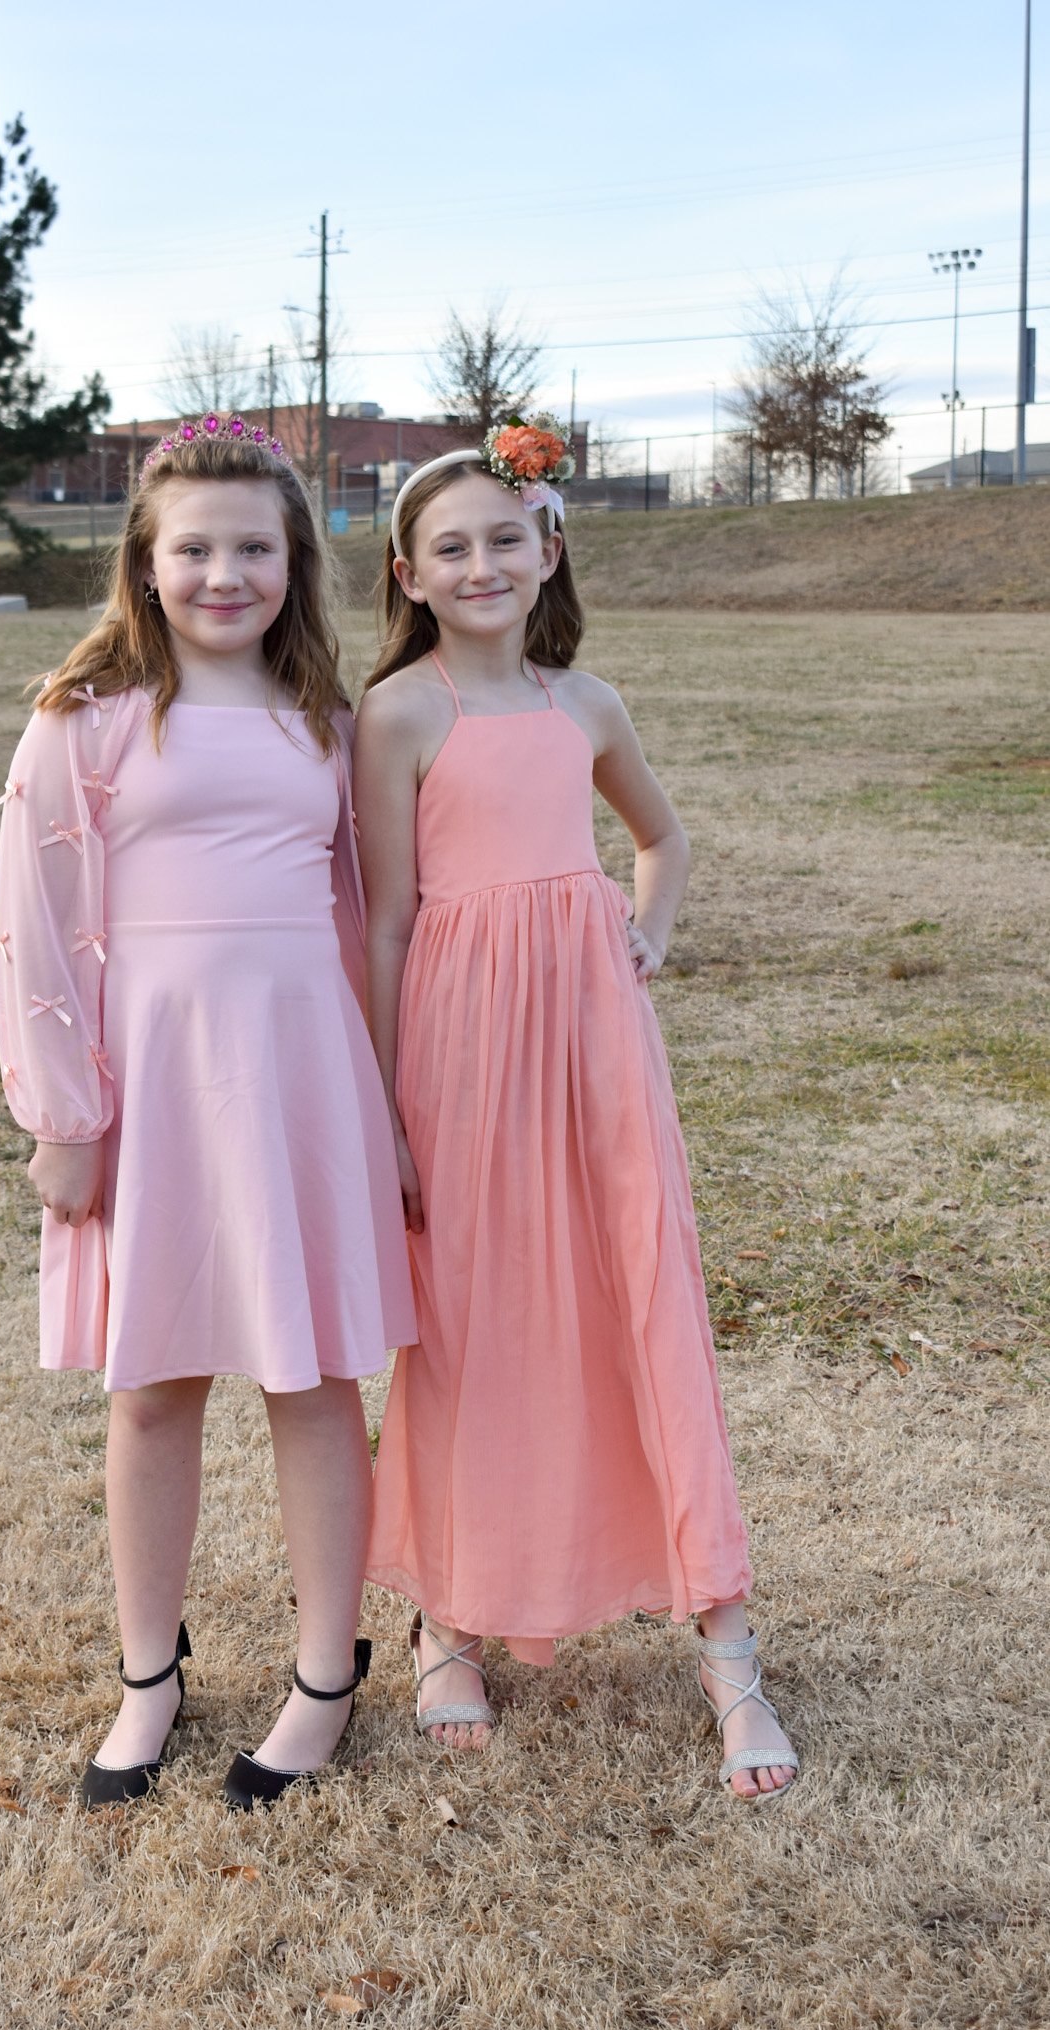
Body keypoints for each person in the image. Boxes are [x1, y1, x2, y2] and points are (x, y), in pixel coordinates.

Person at [355, 417, 797, 1803]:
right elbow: (383, 923)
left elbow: (660, 838)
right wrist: (389, 1111)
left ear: (548, 551)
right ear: (408, 575)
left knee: (639, 1295)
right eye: (450, 548)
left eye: (505, 538)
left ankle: (727, 1647)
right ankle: (448, 1619)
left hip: (596, 1044)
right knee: (472, 1321)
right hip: (459, 1051)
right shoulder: (398, 714)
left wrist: (645, 932)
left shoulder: (586, 703)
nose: (481, 564)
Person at [0, 415, 415, 1812]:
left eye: (253, 549)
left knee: (312, 1377)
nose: (224, 576)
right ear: (145, 562)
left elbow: (366, 918)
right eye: (194, 550)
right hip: (154, 1080)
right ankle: (147, 1677)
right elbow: (36, 923)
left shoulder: (327, 723)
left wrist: (388, 1108)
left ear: (293, 561)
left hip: (299, 1076)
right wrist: (64, 1116)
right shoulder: (86, 715)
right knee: (154, 1384)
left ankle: (323, 1676)